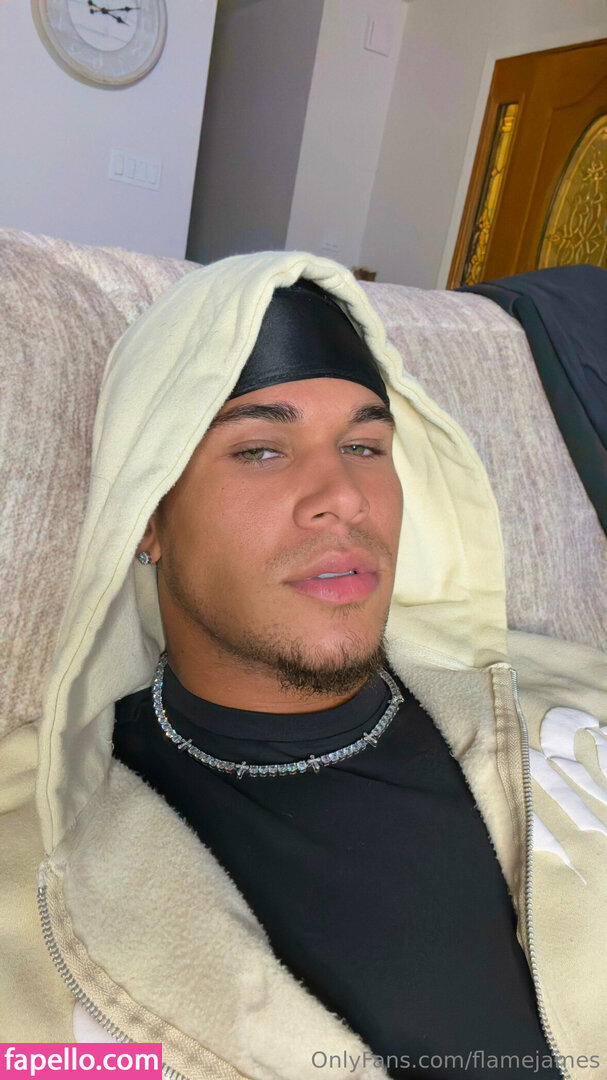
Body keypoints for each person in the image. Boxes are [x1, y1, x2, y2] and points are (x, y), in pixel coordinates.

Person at [3, 253, 606, 1080]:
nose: (345, 496)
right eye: (260, 449)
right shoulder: (33, 854)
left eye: (363, 445)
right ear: (147, 514)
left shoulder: (574, 701)